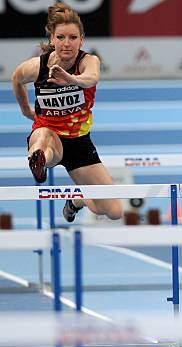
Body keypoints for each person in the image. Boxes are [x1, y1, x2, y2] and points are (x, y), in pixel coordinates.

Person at [11, 3, 122, 223]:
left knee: (113, 210)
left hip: (79, 142)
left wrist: (71, 79)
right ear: (52, 39)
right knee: (44, 138)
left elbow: (92, 78)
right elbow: (16, 78)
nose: (67, 43)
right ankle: (39, 160)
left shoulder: (88, 61)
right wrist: (26, 110)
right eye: (61, 37)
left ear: (82, 39)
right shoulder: (38, 67)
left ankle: (76, 201)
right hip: (48, 134)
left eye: (73, 37)